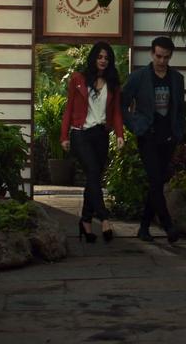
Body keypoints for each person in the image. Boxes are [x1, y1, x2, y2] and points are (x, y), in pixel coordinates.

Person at [121, 36, 186, 243]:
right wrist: (134, 125)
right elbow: (122, 104)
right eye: (158, 56)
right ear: (152, 54)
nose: (161, 61)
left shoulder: (176, 79)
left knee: (156, 183)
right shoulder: (139, 77)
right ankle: (168, 225)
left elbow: (180, 108)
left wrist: (179, 132)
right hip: (147, 136)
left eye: (166, 57)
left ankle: (143, 227)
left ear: (170, 57)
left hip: (168, 137)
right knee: (155, 180)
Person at [61, 41, 125, 243]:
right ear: (93, 58)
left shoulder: (113, 83)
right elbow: (68, 108)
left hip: (101, 135)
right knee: (93, 172)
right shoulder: (78, 79)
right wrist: (64, 136)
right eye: (100, 57)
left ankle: (86, 221)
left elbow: (116, 113)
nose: (103, 61)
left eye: (106, 58)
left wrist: (120, 134)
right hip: (80, 134)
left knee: (93, 177)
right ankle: (104, 219)